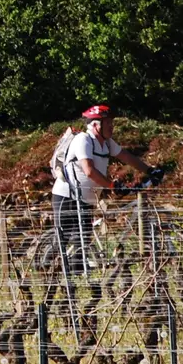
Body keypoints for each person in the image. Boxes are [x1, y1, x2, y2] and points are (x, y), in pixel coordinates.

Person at [50, 104, 153, 273]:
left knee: (83, 241)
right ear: (96, 125)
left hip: (86, 199)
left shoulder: (106, 144)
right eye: (109, 124)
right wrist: (112, 185)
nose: (112, 127)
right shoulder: (83, 140)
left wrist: (150, 170)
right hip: (67, 195)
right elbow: (89, 170)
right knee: (67, 237)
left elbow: (126, 156)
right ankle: (47, 268)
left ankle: (77, 279)